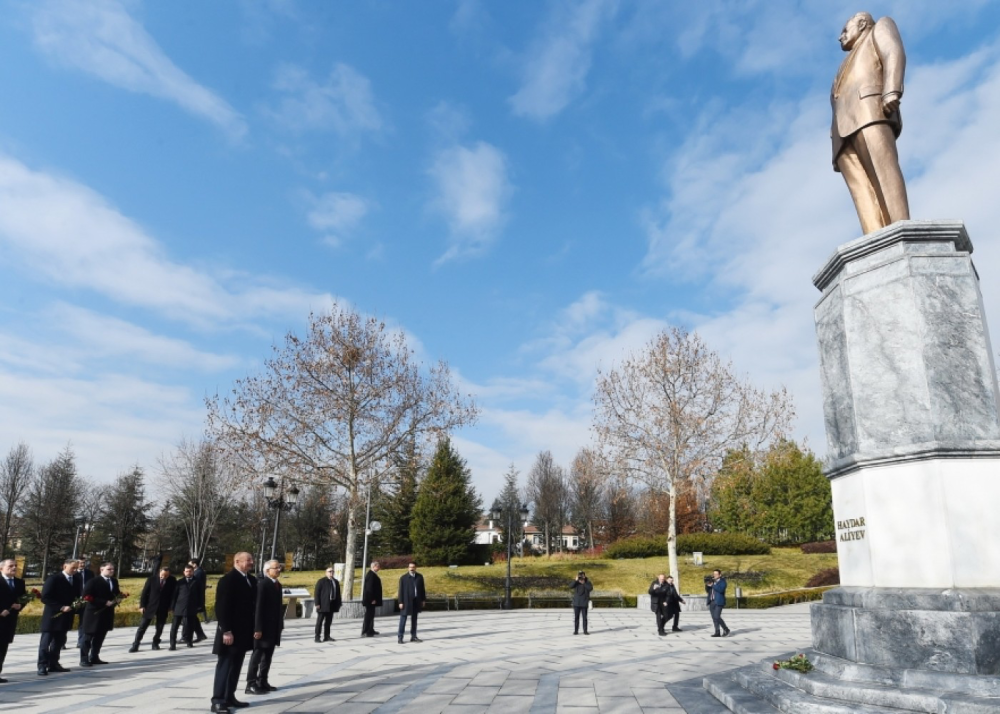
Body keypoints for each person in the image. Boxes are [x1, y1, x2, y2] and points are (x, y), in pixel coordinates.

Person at [831, 12, 909, 234]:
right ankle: (876, 240)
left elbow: (894, 52)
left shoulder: (880, 28)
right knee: (862, 193)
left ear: (862, 23)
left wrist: (891, 89)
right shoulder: (843, 65)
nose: (840, 37)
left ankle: (901, 233)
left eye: (845, 30)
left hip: (870, 114)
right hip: (842, 134)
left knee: (884, 174)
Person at [211, 552, 257, 713]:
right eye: (248, 560)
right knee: (225, 665)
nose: (252, 562)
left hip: (244, 632)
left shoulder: (251, 580)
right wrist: (226, 630)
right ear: (237, 561)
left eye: (252, 560)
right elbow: (222, 607)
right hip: (230, 632)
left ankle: (229, 696)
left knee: (236, 665)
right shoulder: (228, 580)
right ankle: (218, 700)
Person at [246, 560, 284, 695]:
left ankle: (263, 680)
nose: (279, 569)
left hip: (273, 627)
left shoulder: (277, 585)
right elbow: (258, 608)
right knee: (257, 656)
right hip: (263, 628)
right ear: (267, 571)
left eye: (279, 567)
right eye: (276, 568)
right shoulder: (262, 585)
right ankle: (251, 683)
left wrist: (280, 625)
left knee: (268, 655)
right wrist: (257, 628)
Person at [79, 561, 121, 666]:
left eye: (113, 569)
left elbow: (116, 593)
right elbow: (87, 596)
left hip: (107, 613)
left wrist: (118, 599)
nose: (112, 571)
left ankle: (94, 656)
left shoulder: (114, 581)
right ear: (101, 570)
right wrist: (103, 602)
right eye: (109, 569)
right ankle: (84, 658)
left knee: (100, 636)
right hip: (94, 613)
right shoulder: (94, 581)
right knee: (88, 637)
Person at [130, 566, 176, 652]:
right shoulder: (151, 579)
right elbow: (144, 593)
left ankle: (155, 643)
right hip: (150, 606)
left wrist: (171, 607)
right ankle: (135, 644)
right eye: (162, 575)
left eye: (166, 576)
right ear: (159, 572)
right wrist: (142, 606)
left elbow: (173, 595)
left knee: (160, 627)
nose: (164, 577)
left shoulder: (172, 580)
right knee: (142, 627)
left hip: (163, 607)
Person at [0, 559, 27, 683]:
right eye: (10, 566)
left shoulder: (19, 582)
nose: (14, 568)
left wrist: (20, 605)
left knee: (3, 647)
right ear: (1, 568)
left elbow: (24, 598)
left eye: (15, 566)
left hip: (10, 621)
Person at [169, 565, 199, 650]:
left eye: (190, 571)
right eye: (186, 571)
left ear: (193, 572)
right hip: (179, 607)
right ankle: (172, 644)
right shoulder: (180, 582)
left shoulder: (197, 582)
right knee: (174, 627)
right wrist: (172, 607)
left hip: (191, 607)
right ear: (184, 572)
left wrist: (200, 606)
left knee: (190, 626)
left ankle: (189, 641)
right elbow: (174, 595)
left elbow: (201, 595)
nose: (188, 573)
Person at [396, 561, 425, 644]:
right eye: (410, 567)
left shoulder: (420, 577)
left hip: (416, 601)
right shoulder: (404, 578)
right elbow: (400, 591)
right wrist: (400, 602)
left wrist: (423, 600)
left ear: (416, 568)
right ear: (408, 568)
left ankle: (413, 636)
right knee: (403, 619)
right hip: (406, 601)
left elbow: (422, 589)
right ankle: (400, 637)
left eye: (413, 567)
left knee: (414, 620)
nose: (411, 569)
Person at [313, 566, 342, 643]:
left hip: (332, 604)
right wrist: (317, 603)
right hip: (323, 604)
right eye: (329, 571)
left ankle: (327, 636)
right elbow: (317, 593)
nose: (331, 573)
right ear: (326, 573)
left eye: (332, 571)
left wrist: (339, 603)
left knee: (328, 622)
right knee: (319, 621)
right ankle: (317, 637)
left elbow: (338, 593)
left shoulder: (335, 582)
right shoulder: (321, 581)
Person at [73, 559, 95, 649]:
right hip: (73, 600)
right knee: (66, 621)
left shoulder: (89, 573)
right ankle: (62, 642)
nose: (82, 564)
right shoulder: (73, 573)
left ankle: (80, 641)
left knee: (83, 622)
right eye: (79, 563)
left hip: (86, 600)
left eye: (83, 563)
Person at [361, 561, 383, 637]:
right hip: (370, 600)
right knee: (368, 615)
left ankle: (371, 629)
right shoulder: (371, 575)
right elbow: (369, 589)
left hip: (372, 599)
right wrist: (372, 599)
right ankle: (365, 631)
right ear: (374, 567)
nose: (379, 567)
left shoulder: (373, 574)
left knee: (371, 615)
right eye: (378, 566)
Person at [189, 558, 210, 637]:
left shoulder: (198, 572)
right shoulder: (199, 571)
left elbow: (196, 584)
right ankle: (200, 634)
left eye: (190, 564)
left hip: (196, 596)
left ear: (194, 564)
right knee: (193, 617)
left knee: (191, 616)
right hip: (197, 596)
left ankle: (188, 636)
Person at [706, 569, 730, 637]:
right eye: (714, 574)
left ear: (720, 575)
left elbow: (720, 590)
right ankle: (717, 632)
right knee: (714, 618)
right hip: (712, 601)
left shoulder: (723, 582)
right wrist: (707, 584)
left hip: (719, 602)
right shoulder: (712, 581)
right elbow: (708, 591)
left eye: (716, 574)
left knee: (717, 616)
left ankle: (726, 629)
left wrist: (713, 584)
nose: (715, 575)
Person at [570, 571, 593, 635]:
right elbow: (570, 586)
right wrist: (575, 580)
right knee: (576, 618)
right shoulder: (576, 582)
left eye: (582, 576)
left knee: (584, 618)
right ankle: (576, 631)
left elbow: (590, 588)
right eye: (580, 575)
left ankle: (585, 631)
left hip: (584, 603)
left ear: (585, 576)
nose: (581, 577)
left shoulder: (587, 582)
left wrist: (584, 583)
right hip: (576, 603)